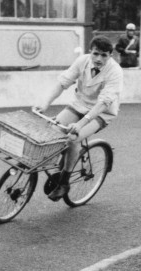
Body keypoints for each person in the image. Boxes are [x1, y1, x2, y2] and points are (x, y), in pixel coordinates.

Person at [35, 36, 123, 200]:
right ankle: (63, 162)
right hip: (80, 104)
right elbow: (63, 83)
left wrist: (81, 124)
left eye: (104, 55)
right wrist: (45, 103)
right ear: (90, 52)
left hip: (102, 112)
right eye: (95, 54)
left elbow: (104, 103)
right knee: (53, 130)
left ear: (110, 55)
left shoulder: (115, 71)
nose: (98, 59)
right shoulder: (82, 61)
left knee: (73, 138)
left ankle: (64, 182)